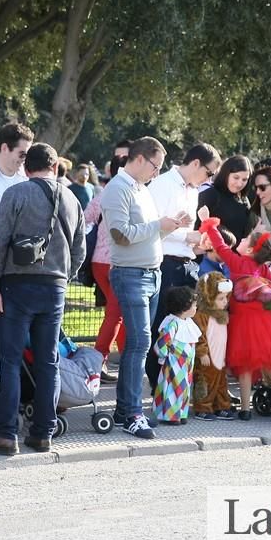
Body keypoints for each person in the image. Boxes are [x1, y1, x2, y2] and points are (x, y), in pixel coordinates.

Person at [0, 143, 86, 455]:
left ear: (26, 167)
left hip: (17, 285)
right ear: (55, 167)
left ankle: (7, 434)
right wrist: (63, 275)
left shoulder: (17, 194)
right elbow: (80, 250)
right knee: (48, 360)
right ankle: (42, 432)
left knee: (10, 360)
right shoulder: (73, 199)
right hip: (55, 288)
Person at [100, 137, 186, 440]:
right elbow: (121, 236)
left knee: (138, 345)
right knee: (139, 343)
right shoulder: (117, 189)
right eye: (155, 166)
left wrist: (170, 226)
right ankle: (132, 413)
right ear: (139, 159)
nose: (156, 173)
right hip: (130, 274)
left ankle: (126, 410)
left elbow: (145, 233)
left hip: (150, 273)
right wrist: (160, 226)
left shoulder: (141, 190)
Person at [199, 208, 271, 422]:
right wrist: (260, 287)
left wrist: (209, 223)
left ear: (251, 249)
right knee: (266, 362)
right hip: (261, 320)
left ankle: (250, 406)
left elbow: (220, 246)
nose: (240, 241)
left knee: (245, 364)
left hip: (243, 320)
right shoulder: (261, 267)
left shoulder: (237, 262)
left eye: (244, 240)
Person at [144, 143, 221, 393]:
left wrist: (197, 241)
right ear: (196, 163)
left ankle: (180, 388)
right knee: (162, 328)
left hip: (188, 264)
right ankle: (160, 388)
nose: (209, 179)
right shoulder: (162, 185)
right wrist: (188, 237)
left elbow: (184, 233)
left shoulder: (193, 190)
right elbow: (152, 228)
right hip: (165, 264)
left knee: (187, 329)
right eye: (209, 173)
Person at [84, 191, 124, 380]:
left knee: (118, 312)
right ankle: (98, 361)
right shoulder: (132, 194)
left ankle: (123, 359)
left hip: (98, 261)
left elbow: (84, 218)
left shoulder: (102, 196)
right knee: (116, 314)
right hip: (116, 262)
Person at [152, 286, 201, 425]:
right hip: (174, 363)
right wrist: (165, 356)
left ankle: (181, 412)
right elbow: (161, 343)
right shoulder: (172, 323)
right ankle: (171, 415)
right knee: (172, 388)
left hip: (186, 363)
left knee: (184, 387)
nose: (196, 307)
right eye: (194, 305)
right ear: (185, 306)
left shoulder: (187, 322)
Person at [191, 272, 235, 421]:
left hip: (219, 357)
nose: (225, 302)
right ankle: (202, 407)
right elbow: (199, 335)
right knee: (205, 383)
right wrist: (202, 353)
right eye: (220, 299)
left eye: (226, 298)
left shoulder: (221, 315)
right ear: (209, 298)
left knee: (221, 384)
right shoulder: (201, 316)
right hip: (207, 359)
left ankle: (221, 405)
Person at [196, 155, 252, 247]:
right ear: (226, 174)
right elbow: (196, 228)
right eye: (236, 177)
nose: (239, 183)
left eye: (244, 179)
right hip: (208, 256)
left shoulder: (244, 201)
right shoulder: (210, 194)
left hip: (234, 258)